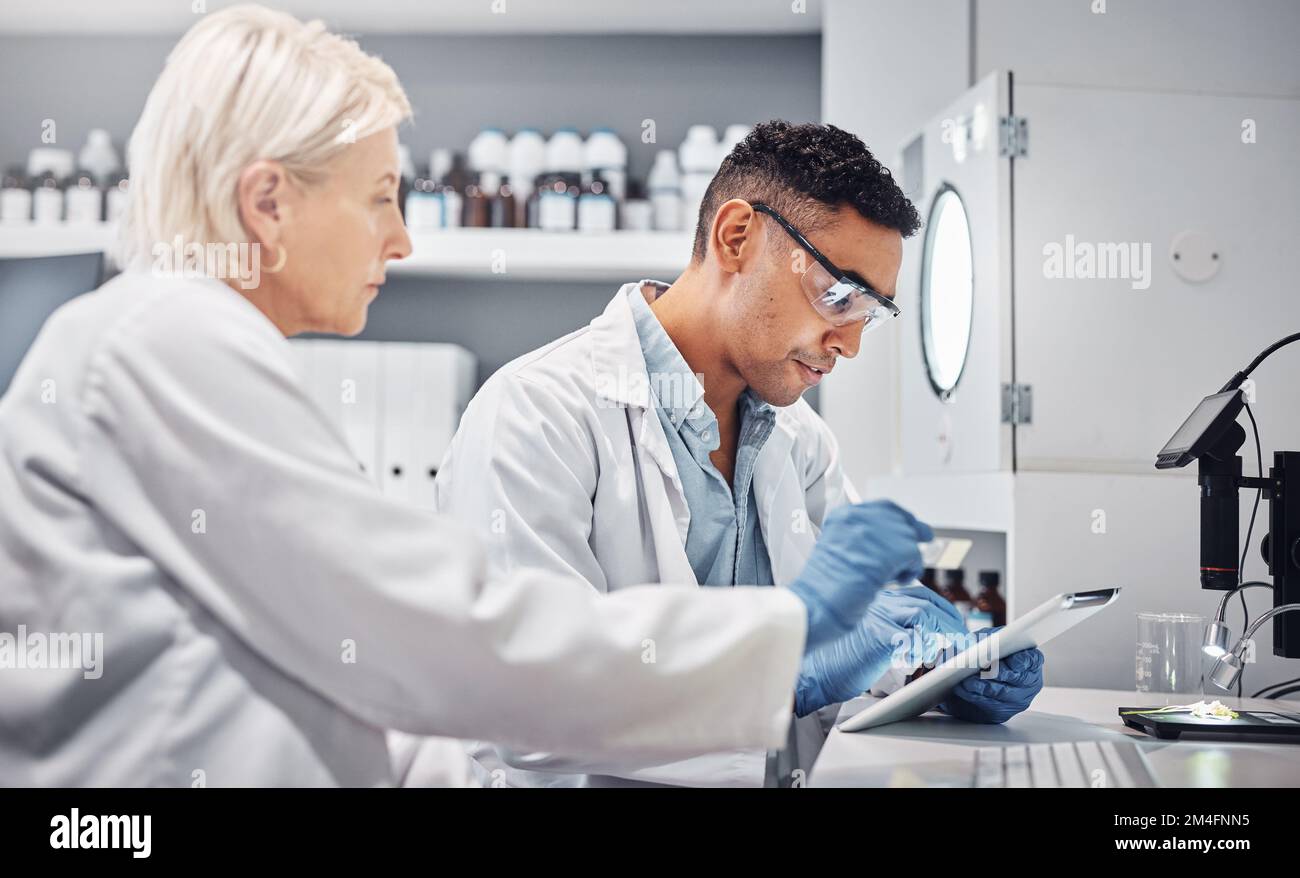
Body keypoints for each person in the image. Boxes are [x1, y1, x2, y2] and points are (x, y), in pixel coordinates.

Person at [0, 6, 929, 787]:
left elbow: (367, 680)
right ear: (268, 203)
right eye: (378, 197)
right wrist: (786, 643)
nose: (401, 241)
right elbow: (439, 638)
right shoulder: (162, 339)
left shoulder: (179, 346)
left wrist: (904, 666)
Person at [435, 122, 1045, 787]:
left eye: (868, 313)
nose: (850, 345)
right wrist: (788, 679)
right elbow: (525, 706)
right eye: (839, 296)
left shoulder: (799, 440)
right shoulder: (536, 413)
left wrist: (939, 669)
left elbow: (859, 636)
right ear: (736, 237)